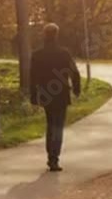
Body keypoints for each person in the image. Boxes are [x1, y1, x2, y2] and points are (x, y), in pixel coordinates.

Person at [30, 23, 81, 172]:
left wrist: (34, 96)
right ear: (56, 35)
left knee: (50, 124)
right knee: (58, 126)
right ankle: (54, 158)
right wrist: (76, 89)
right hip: (61, 94)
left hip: (46, 94)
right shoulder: (64, 53)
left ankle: (50, 156)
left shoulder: (37, 54)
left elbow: (32, 77)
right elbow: (74, 72)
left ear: (44, 35)